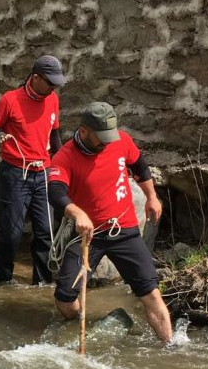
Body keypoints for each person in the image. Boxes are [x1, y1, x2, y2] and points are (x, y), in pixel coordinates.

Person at [47, 102, 173, 342]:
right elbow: (55, 192)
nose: (107, 142)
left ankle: (170, 347)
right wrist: (77, 213)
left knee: (151, 292)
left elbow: (140, 167)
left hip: (123, 228)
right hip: (85, 234)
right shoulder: (65, 157)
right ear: (84, 131)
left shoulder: (121, 141)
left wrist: (151, 197)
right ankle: (75, 326)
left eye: (110, 136)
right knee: (64, 298)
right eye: (101, 137)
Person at [0, 54, 66, 285]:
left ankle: (41, 284)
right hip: (15, 174)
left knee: (45, 234)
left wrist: (61, 165)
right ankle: (2, 281)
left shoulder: (52, 100)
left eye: (56, 84)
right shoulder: (10, 100)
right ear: (36, 77)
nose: (53, 88)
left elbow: (55, 135)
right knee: (12, 234)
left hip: (43, 174)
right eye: (50, 83)